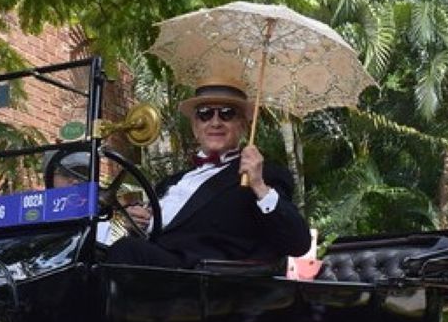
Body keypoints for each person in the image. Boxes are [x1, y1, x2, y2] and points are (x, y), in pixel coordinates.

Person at [106, 78, 311, 268]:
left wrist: (259, 186)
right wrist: (140, 222)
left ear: (242, 125)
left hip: (206, 280)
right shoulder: (172, 182)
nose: (215, 122)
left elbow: (298, 243)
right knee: (89, 252)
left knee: (126, 250)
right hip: (155, 271)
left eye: (227, 113)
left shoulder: (264, 174)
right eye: (205, 114)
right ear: (195, 127)